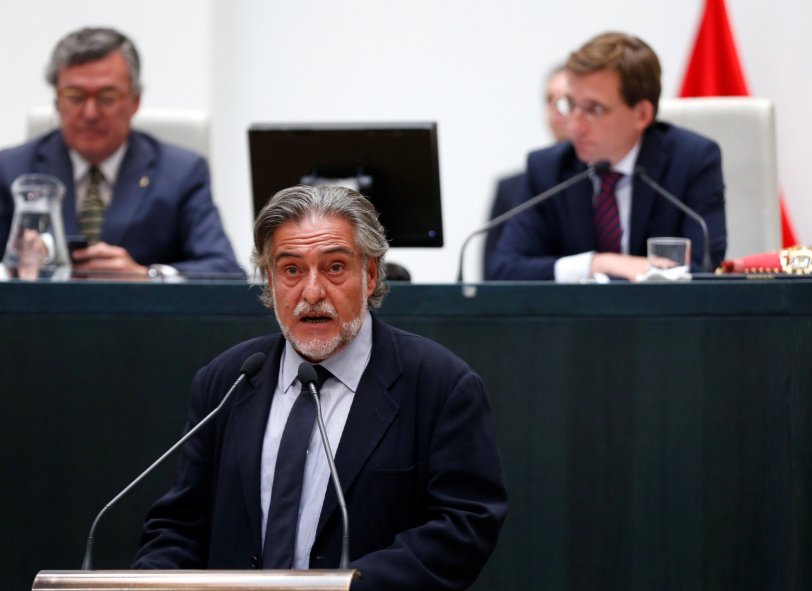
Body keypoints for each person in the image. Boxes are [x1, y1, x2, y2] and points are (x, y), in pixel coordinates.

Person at [132, 185, 508, 590]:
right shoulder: (227, 381)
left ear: (369, 274)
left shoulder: (440, 385)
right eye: (291, 270)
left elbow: (463, 527)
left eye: (334, 268)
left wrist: (343, 587)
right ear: (270, 280)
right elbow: (182, 523)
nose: (311, 293)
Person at [0, 27, 241, 278]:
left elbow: (226, 271)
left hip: (141, 316)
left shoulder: (182, 173)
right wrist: (13, 269)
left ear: (135, 100)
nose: (90, 113)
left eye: (107, 97)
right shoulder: (10, 169)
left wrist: (147, 276)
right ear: (57, 101)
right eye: (75, 96)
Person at [488, 32, 727, 282]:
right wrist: (599, 263)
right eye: (570, 104)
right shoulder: (548, 168)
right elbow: (504, 268)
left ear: (642, 114)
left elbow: (703, 270)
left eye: (594, 109)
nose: (574, 126)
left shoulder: (692, 161)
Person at [483, 65, 569, 279]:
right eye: (549, 100)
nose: (557, 110)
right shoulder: (511, 188)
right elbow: (493, 273)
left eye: (566, 101)